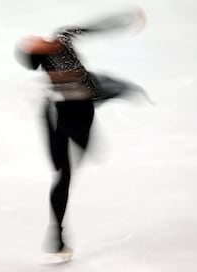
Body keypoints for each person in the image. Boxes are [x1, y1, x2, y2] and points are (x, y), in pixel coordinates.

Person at [15, 8, 146, 257]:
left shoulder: (62, 37)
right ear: (38, 54)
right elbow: (71, 90)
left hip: (83, 103)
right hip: (67, 115)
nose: (34, 37)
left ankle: (58, 237)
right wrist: (53, 92)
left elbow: (94, 27)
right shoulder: (55, 69)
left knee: (74, 160)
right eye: (32, 44)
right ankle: (57, 239)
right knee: (63, 175)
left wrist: (125, 18)